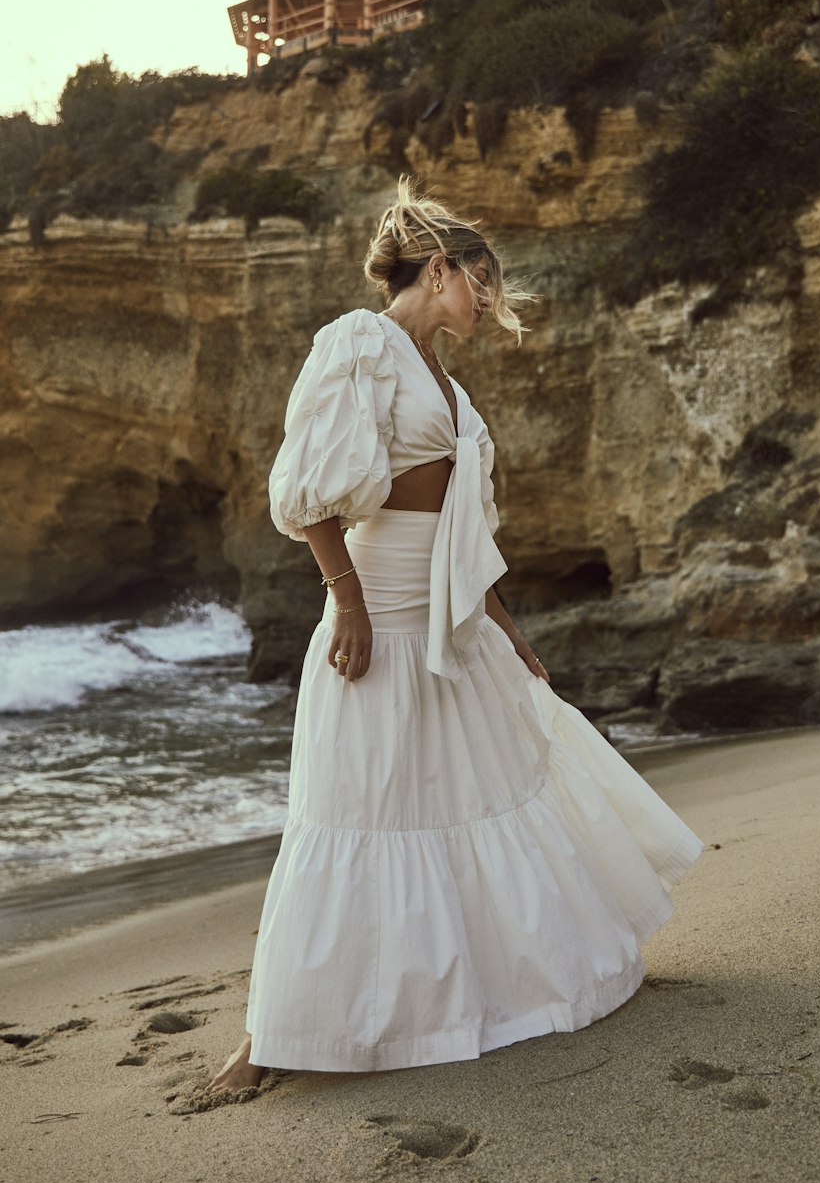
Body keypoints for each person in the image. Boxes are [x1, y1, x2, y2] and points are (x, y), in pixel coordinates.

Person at [210, 177, 702, 1091]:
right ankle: (272, 1034)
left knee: (484, 788)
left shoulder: (445, 378)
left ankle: (488, 996)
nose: (493, 305)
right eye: (484, 284)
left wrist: (506, 626)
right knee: (357, 806)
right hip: (380, 610)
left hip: (455, 618)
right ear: (439, 270)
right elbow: (313, 493)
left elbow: (464, 536)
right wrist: (347, 600)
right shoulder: (360, 344)